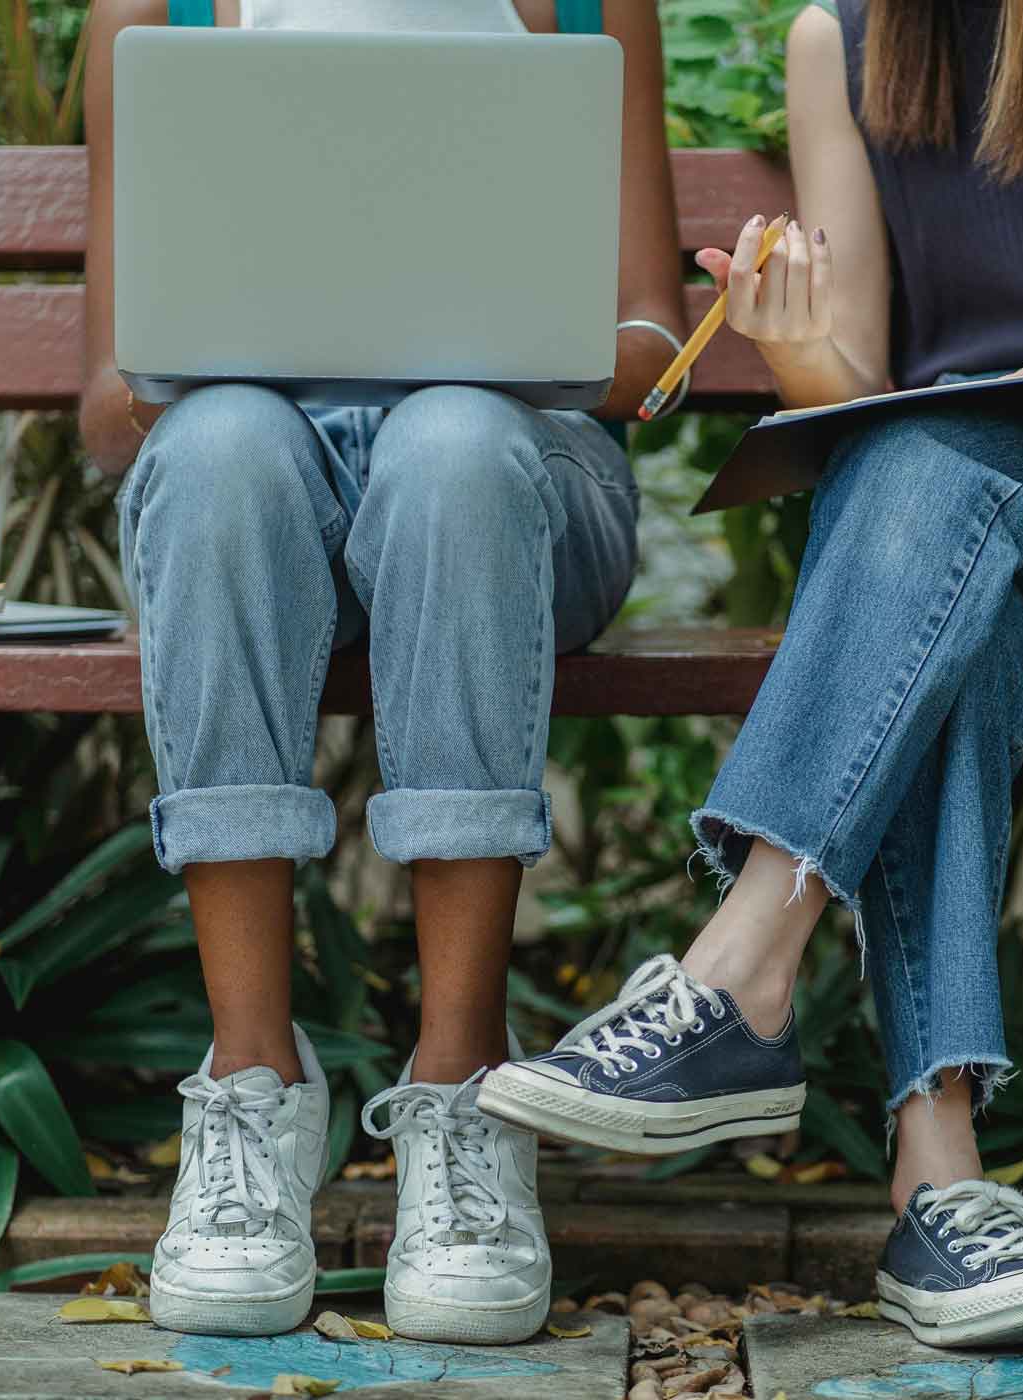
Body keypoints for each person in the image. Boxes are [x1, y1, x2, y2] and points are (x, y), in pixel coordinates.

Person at [479, 0, 1023, 1348]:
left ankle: (738, 976)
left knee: (922, 481)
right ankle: (941, 1189)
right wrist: (785, 334)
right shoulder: (839, 36)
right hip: (946, 539)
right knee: (939, 562)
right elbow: (850, 375)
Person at [77, 0, 685, 1343]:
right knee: (222, 451)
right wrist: (221, 355)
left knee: (454, 445)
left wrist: (538, 351)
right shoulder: (160, 14)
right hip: (262, 477)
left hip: (519, 482)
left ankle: (464, 1096)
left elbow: (650, 330)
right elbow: (111, 406)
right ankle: (249, 1096)